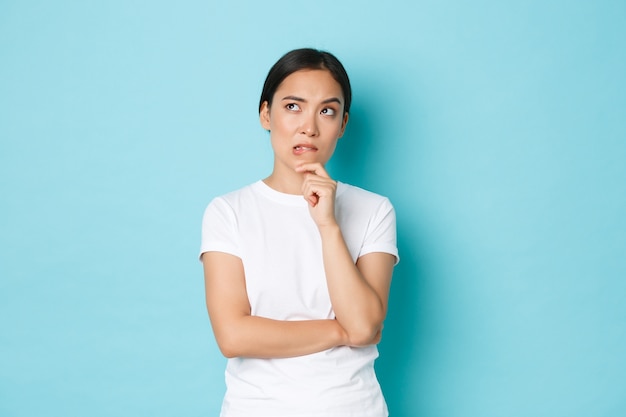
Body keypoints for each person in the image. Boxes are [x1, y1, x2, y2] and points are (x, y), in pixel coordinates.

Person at [200, 48, 399, 417]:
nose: (309, 126)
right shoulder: (228, 211)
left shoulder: (374, 210)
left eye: (327, 110)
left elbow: (366, 323)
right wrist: (342, 332)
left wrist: (327, 224)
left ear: (342, 125)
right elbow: (233, 336)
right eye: (293, 106)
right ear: (266, 114)